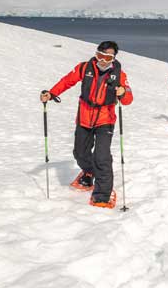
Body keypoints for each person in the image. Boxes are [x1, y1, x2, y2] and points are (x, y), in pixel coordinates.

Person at [41, 40, 132, 208]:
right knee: (80, 152)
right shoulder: (84, 68)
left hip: (105, 119)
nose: (103, 60)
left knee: (101, 156)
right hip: (84, 117)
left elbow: (128, 99)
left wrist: (123, 92)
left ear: (113, 58)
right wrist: (51, 93)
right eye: (100, 55)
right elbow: (67, 80)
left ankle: (103, 194)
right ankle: (89, 172)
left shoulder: (120, 75)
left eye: (107, 57)